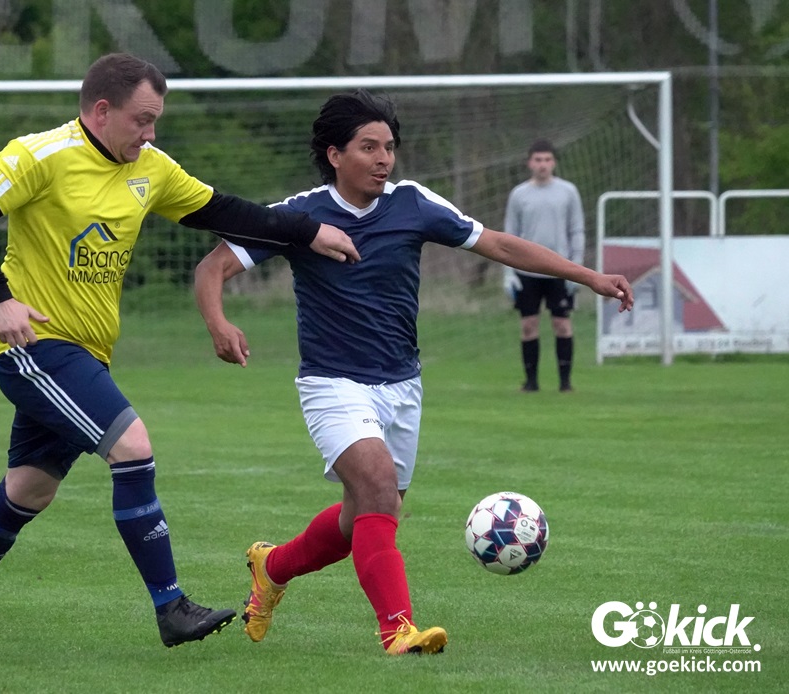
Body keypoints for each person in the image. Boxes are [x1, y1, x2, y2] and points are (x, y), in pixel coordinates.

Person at [0, 52, 360, 658]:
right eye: (142, 120)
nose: (150, 133)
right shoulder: (41, 155)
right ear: (102, 110)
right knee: (133, 447)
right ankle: (171, 607)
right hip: (36, 349)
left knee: (28, 490)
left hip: (87, 355)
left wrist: (308, 230)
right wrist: (0, 299)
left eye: (156, 121)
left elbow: (223, 210)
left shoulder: (151, 168)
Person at [194, 90, 633, 655]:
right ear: (334, 155)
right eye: (368, 147)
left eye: (389, 147)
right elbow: (213, 267)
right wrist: (218, 323)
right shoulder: (300, 216)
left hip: (403, 385)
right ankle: (398, 629)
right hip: (333, 382)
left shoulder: (412, 203)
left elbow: (498, 244)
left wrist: (587, 276)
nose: (384, 159)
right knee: (378, 489)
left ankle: (272, 567)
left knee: (366, 514)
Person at [503, 139, 586, 392]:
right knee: (528, 325)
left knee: (562, 324)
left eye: (547, 160)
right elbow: (509, 234)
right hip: (526, 270)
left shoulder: (568, 192)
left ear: (554, 162)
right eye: (538, 160)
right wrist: (508, 273)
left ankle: (565, 383)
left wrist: (577, 268)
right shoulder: (519, 194)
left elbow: (577, 229)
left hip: (559, 269)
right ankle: (531, 383)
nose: (543, 164)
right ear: (530, 163)